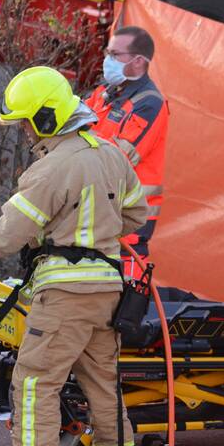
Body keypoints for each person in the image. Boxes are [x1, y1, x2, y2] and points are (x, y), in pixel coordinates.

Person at [0, 66, 147, 446]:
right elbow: (136, 216)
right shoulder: (113, 154)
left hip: (64, 294)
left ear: (44, 118)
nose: (23, 132)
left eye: (25, 122)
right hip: (108, 292)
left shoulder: (51, 167)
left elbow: (7, 234)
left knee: (35, 382)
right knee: (103, 384)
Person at [85, 25, 168, 269]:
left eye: (114, 55)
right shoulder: (106, 92)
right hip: (99, 214)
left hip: (126, 223)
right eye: (107, 53)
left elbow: (116, 159)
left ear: (139, 61)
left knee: (120, 295)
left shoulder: (149, 104)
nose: (106, 60)